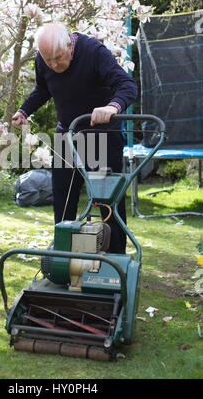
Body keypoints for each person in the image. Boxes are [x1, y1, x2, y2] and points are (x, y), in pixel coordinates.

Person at [12, 23, 137, 253]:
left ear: (70, 45)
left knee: (107, 202)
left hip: (103, 135)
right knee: (63, 200)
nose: (53, 65)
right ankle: (63, 256)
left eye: (58, 58)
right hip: (68, 135)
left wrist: (112, 106)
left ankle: (116, 262)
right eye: (48, 61)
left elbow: (127, 84)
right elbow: (43, 89)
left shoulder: (94, 52)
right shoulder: (45, 58)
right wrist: (24, 111)